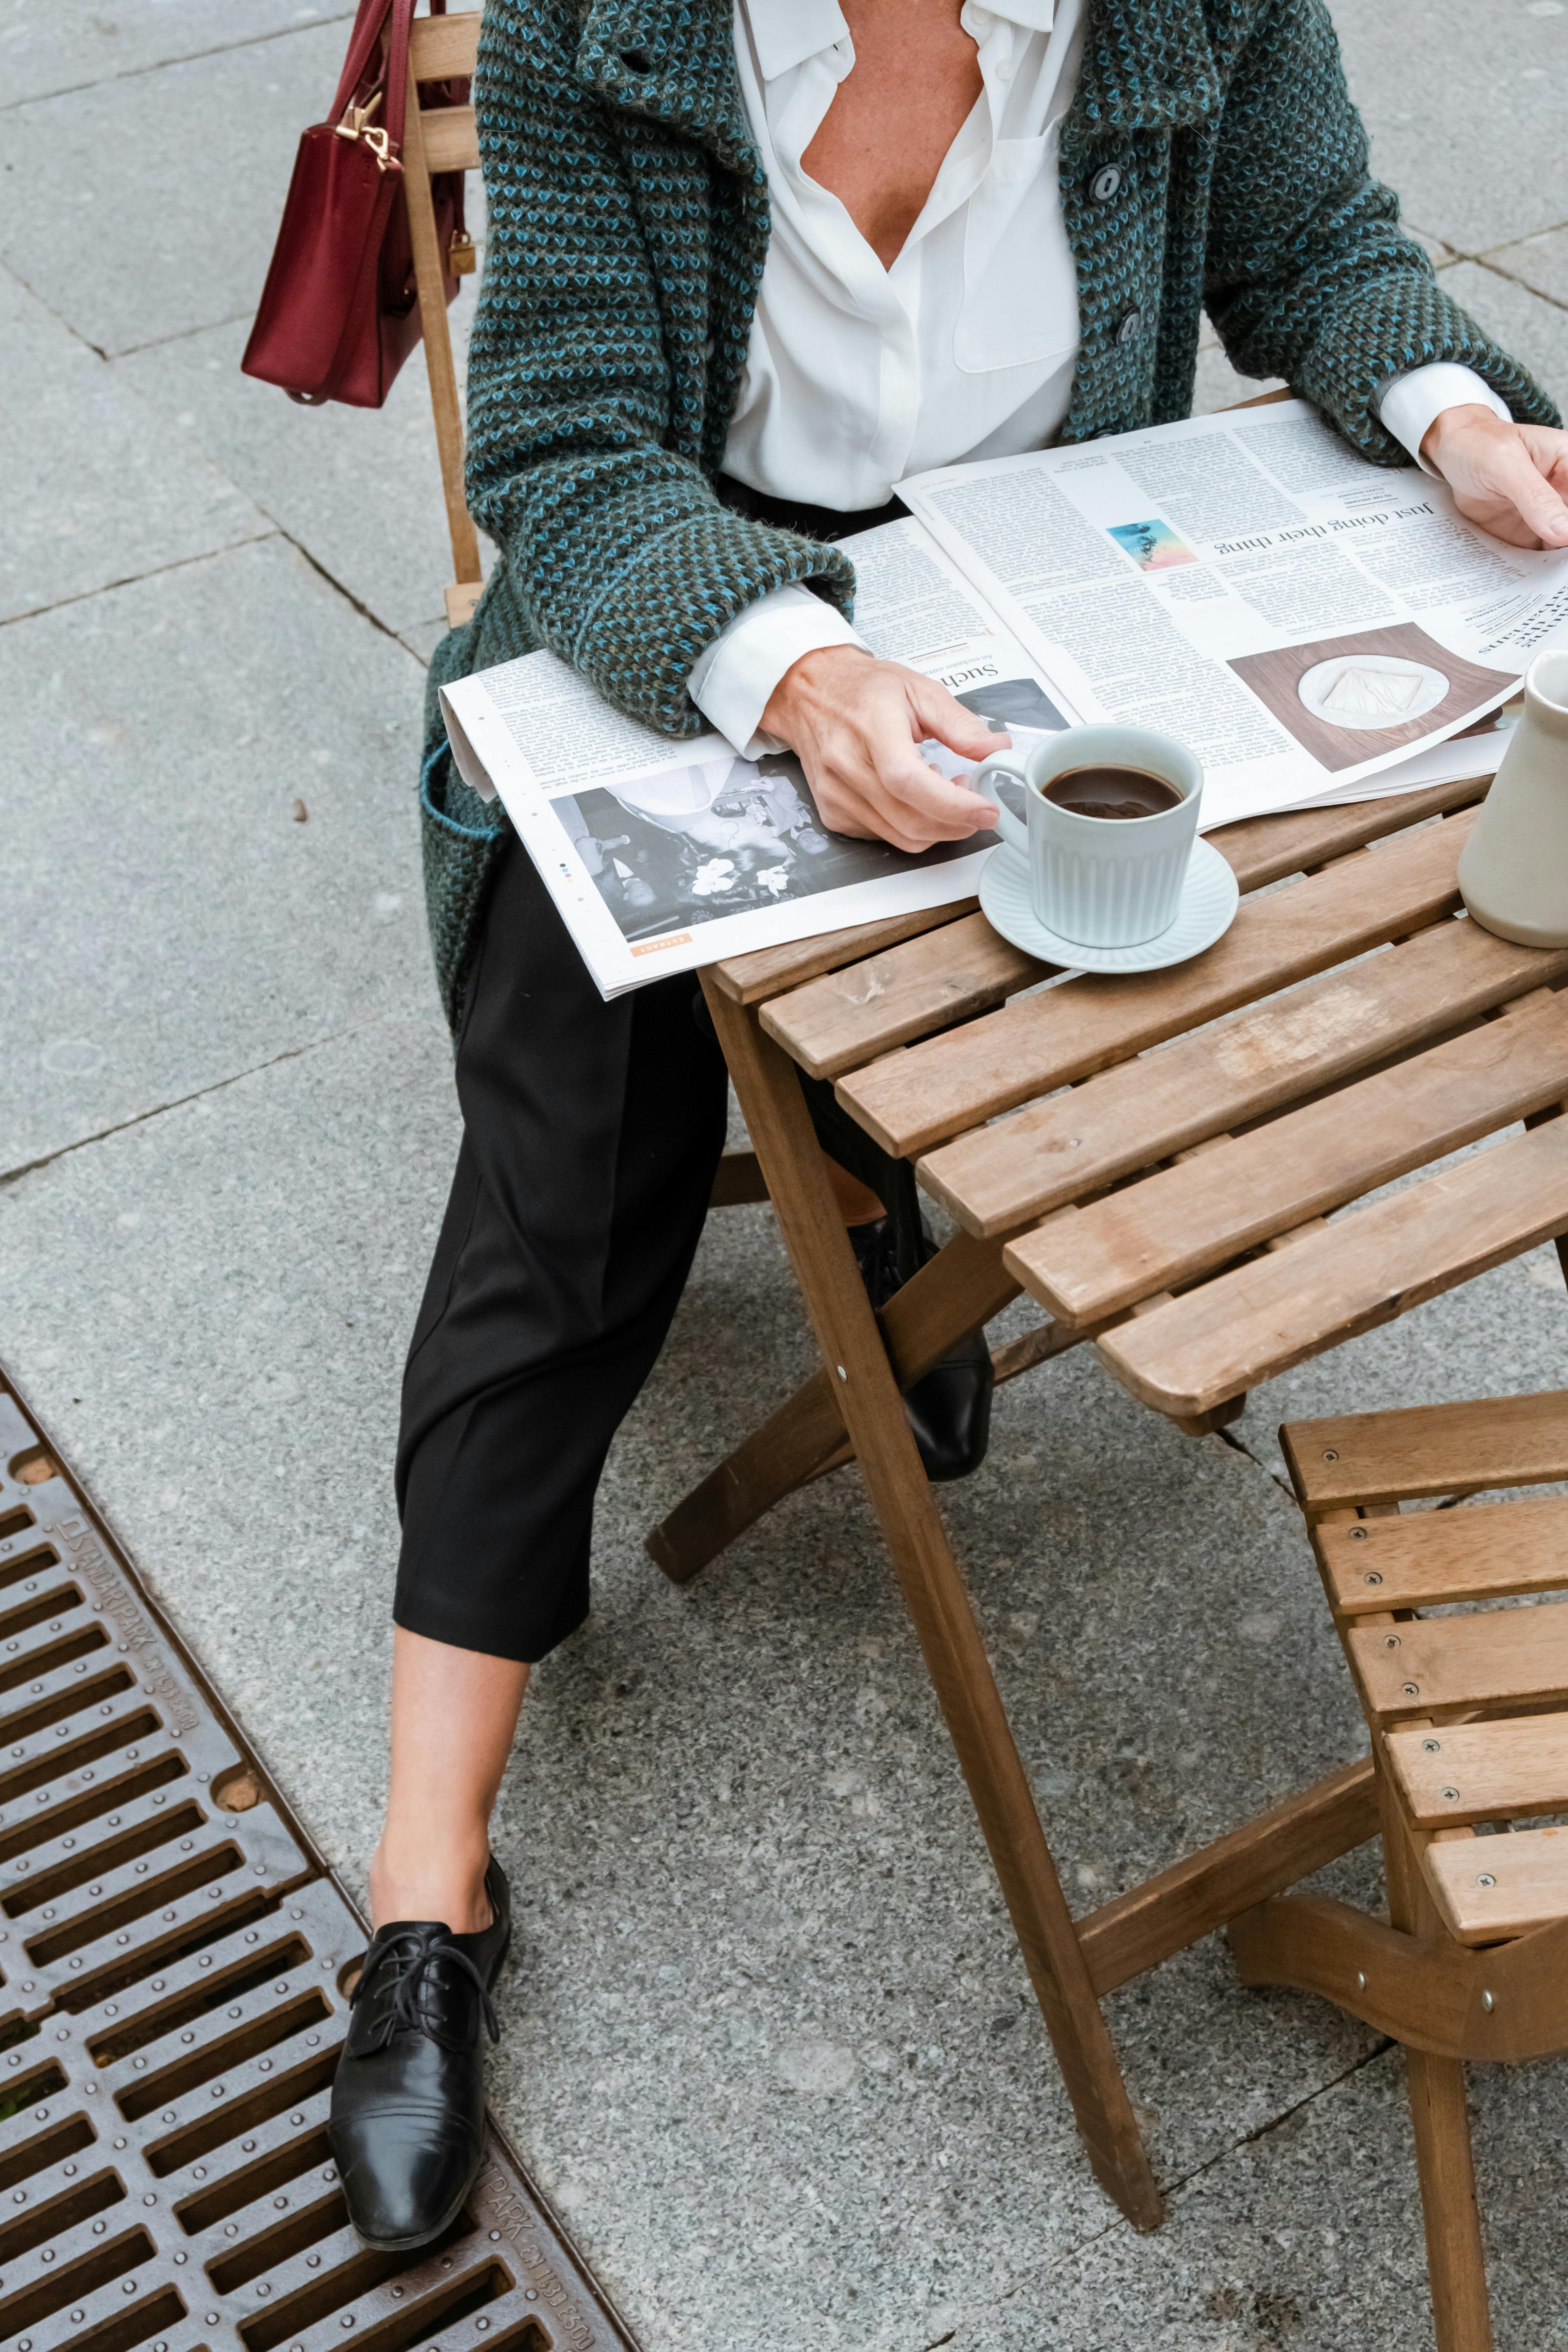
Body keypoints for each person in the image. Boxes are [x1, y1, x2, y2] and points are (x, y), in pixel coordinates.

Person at [327, 0, 1568, 2251]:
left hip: (1043, 618)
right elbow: (563, 452)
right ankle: (429, 1895)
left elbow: (1314, 248)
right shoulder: (606, 22)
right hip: (687, 628)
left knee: (1363, 950)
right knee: (564, 1195)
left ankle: (907, 1242)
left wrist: (1459, 416)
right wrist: (793, 673)